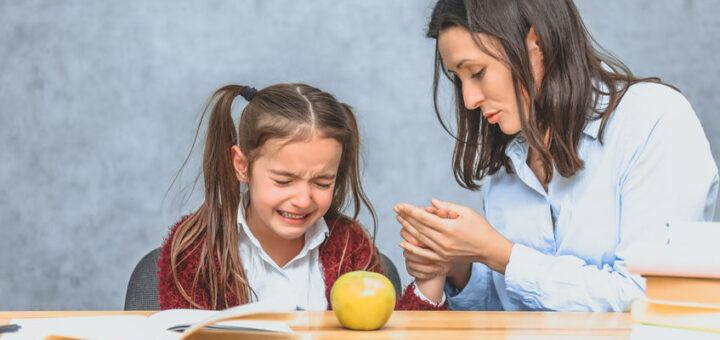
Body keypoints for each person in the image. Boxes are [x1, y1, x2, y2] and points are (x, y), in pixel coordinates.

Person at [395, 0, 719, 311]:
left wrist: (501, 255)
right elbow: (506, 316)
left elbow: (652, 296)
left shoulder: (653, 119)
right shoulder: (509, 163)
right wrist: (461, 266)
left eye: (477, 72)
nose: (468, 100)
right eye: (458, 77)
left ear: (537, 44)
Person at [158, 83, 447, 311]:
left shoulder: (350, 246)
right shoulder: (195, 250)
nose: (303, 199)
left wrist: (430, 281)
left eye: (322, 182)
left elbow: (387, 333)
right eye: (284, 180)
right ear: (242, 166)